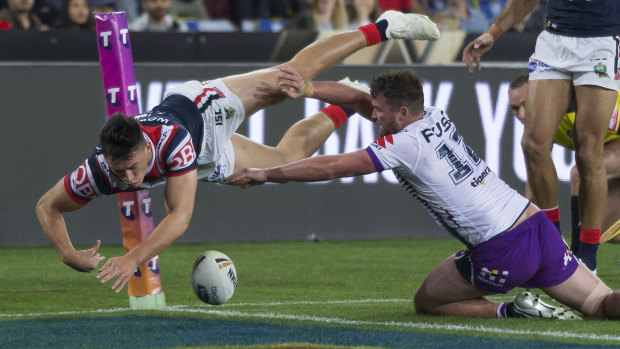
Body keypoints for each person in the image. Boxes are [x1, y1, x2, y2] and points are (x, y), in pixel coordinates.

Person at [35, 11, 440, 293]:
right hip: (206, 157)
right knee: (285, 160)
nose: (129, 180)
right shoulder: (101, 169)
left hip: (203, 109)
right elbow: (47, 206)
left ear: (144, 146)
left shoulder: (170, 142)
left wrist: (131, 259)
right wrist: (68, 253)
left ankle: (383, 26)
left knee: (289, 78)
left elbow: (180, 217)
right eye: (119, 173)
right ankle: (342, 104)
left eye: (133, 168)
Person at [226, 69, 620, 320]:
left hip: (502, 247)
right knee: (601, 304)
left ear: (400, 114)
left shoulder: (404, 145)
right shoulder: (432, 115)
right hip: (532, 222)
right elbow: (360, 98)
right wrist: (309, 88)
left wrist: (267, 174)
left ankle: (511, 310)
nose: (373, 115)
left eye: (380, 111)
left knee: (428, 302)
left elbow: (329, 166)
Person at [462, 0, 620, 272]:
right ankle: (554, 246)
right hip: (554, 41)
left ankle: (587, 259)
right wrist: (493, 32)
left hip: (602, 41)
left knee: (587, 151)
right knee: (533, 144)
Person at [508, 74, 620, 251]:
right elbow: (535, 184)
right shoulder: (540, 127)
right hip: (604, 154)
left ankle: (577, 259)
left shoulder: (577, 108)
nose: (521, 115)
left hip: (613, 147)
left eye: (525, 104)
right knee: (604, 227)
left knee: (580, 173)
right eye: (515, 108)